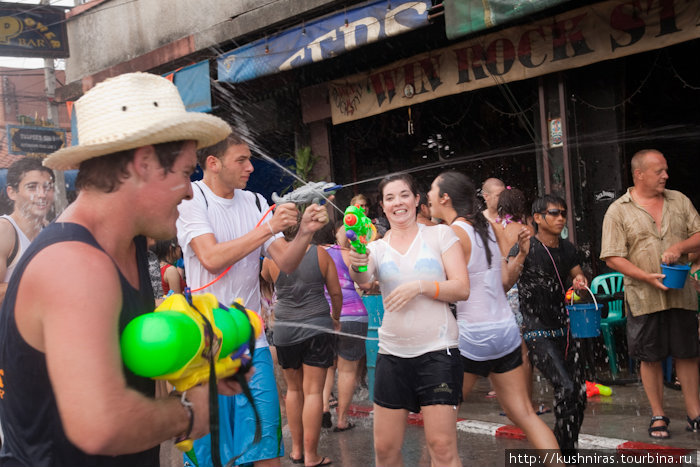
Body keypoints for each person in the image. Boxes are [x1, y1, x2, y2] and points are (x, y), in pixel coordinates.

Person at [0, 72, 239, 466]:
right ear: (143, 162)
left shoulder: (124, 246)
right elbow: (102, 425)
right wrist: (194, 412)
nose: (191, 189)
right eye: (184, 172)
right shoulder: (75, 264)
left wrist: (191, 362)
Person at [176, 131, 330, 467]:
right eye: (241, 160)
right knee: (209, 456)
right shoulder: (192, 199)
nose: (249, 167)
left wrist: (304, 232)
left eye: (249, 159)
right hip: (206, 346)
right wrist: (268, 227)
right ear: (213, 164)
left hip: (252, 343)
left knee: (264, 449)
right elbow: (211, 257)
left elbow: (286, 263)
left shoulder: (256, 202)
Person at [428, 172, 562, 463]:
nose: (427, 196)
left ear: (445, 198)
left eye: (431, 190)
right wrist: (521, 256)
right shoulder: (487, 229)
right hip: (504, 332)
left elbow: (454, 290)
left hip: (471, 337)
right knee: (524, 413)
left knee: (441, 421)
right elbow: (502, 283)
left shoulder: (450, 234)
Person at [348, 173, 469, 467]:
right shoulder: (376, 248)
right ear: (382, 206)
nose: (397, 203)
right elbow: (363, 280)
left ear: (416, 200)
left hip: (438, 352)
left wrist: (421, 287)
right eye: (389, 198)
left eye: (404, 195)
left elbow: (461, 288)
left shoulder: (440, 235)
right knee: (386, 450)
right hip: (392, 354)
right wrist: (358, 261)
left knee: (441, 447)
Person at [600, 149, 700, 438]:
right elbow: (612, 257)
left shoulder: (679, 200)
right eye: (660, 171)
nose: (666, 176)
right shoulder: (619, 209)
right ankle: (659, 415)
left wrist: (680, 248)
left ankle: (695, 414)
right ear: (639, 174)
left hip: (681, 294)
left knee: (688, 353)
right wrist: (645, 276)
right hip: (643, 297)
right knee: (650, 357)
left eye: (666, 170)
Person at [506, 194, 588, 454]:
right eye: (554, 213)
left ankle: (565, 448)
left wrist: (580, 285)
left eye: (563, 213)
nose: (561, 218)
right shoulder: (524, 246)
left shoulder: (567, 248)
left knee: (579, 393)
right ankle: (560, 451)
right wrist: (521, 255)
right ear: (538, 218)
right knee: (565, 387)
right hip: (536, 330)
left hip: (564, 328)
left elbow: (580, 281)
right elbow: (505, 283)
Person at [261, 221, 342, 467]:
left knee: (294, 391)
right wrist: (335, 318)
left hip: (284, 328)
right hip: (317, 325)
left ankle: (296, 450)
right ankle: (311, 455)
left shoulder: (271, 258)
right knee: (314, 392)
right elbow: (335, 293)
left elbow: (266, 281)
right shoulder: (320, 254)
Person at [318, 221, 369, 432]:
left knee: (327, 367)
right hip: (353, 315)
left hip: (324, 316)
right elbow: (365, 283)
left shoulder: (313, 254)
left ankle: (323, 407)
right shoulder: (347, 253)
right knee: (347, 369)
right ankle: (342, 420)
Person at [0, 157, 55, 304]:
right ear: (12, 192)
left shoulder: (49, 230)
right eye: (32, 187)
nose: (42, 194)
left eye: (48, 187)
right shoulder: (4, 230)